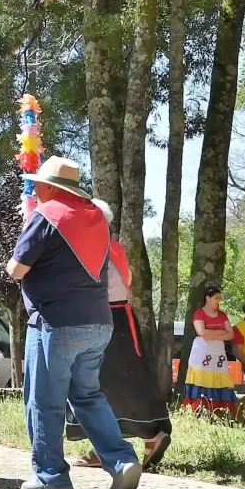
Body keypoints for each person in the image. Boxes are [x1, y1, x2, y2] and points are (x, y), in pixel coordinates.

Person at [6, 156, 142, 489]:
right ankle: (122, 460)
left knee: (44, 400)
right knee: (88, 396)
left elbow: (16, 269)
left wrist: (27, 234)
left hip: (56, 323)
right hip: (98, 321)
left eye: (38, 183)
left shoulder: (46, 215)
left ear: (52, 187)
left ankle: (51, 476)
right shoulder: (97, 216)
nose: (34, 188)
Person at [67, 200, 172, 471]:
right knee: (116, 381)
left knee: (107, 381)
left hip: (107, 315)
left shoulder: (97, 247)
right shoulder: (112, 247)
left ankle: (148, 433)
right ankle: (105, 445)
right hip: (115, 315)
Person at [183, 286, 240, 416]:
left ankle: (220, 411)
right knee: (201, 377)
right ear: (208, 298)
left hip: (218, 351)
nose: (218, 301)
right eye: (216, 298)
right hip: (202, 350)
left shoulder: (222, 315)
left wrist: (212, 335)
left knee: (219, 376)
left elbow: (230, 334)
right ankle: (198, 409)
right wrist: (220, 332)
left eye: (219, 298)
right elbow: (201, 332)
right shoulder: (199, 313)